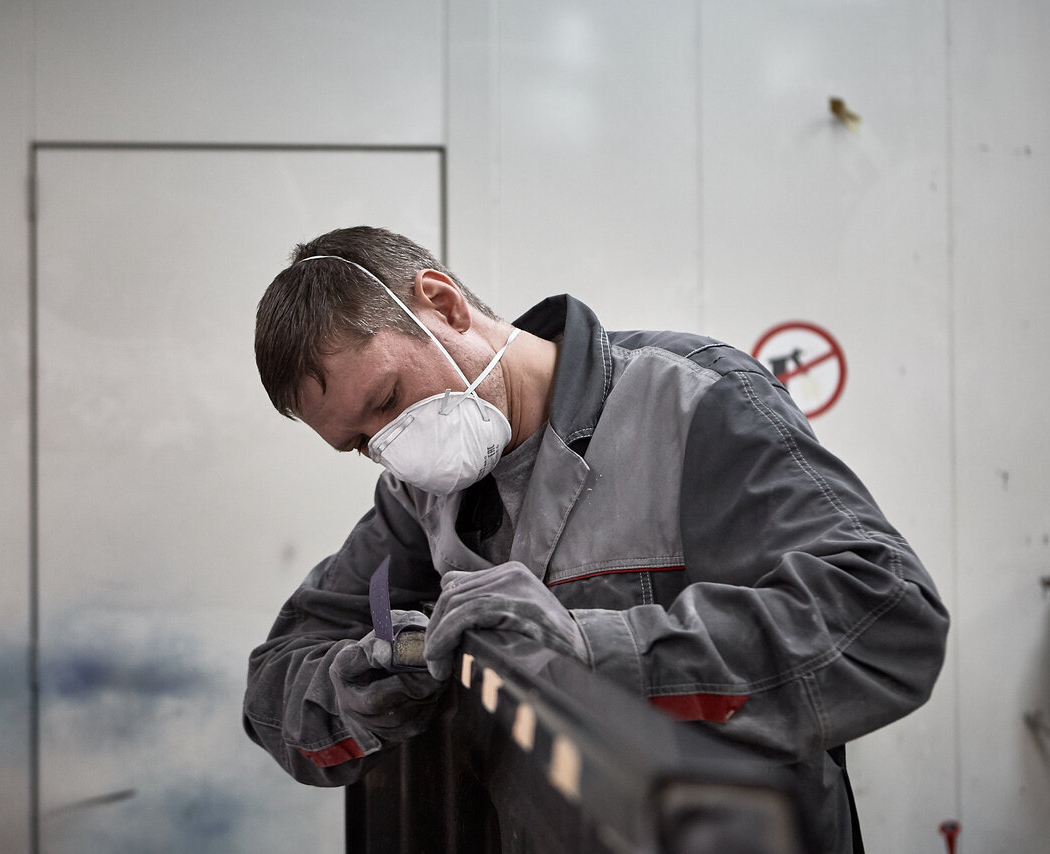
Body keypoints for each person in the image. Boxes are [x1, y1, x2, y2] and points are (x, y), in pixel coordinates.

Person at [242, 226, 949, 853]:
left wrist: (594, 652)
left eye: (389, 400)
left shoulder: (690, 403)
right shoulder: (419, 499)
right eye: (361, 444)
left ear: (444, 304)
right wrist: (364, 688)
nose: (393, 446)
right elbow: (274, 689)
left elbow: (889, 619)